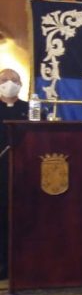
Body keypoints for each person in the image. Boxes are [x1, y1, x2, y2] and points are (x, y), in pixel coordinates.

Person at [0, 68, 29, 281]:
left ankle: (23, 264)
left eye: (14, 80)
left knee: (23, 217)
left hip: (24, 172)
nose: (9, 83)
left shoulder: (30, 109)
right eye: (4, 80)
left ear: (20, 84)